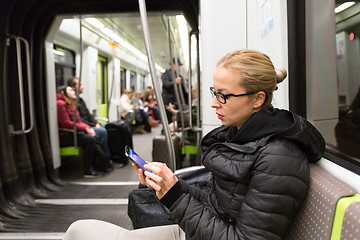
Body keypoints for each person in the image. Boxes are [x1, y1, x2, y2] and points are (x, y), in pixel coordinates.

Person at [64, 49, 325, 239]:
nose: (213, 103)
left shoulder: (277, 156)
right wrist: (172, 185)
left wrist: (175, 197)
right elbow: (219, 203)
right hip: (205, 229)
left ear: (257, 99)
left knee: (79, 232)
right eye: (214, 93)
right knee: (79, 230)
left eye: (223, 96)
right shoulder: (241, 136)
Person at [57, 86, 104, 178]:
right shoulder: (61, 104)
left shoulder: (70, 103)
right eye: (70, 90)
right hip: (65, 135)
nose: (74, 91)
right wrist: (86, 128)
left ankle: (100, 163)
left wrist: (87, 127)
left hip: (72, 133)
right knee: (89, 139)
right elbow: (66, 123)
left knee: (96, 135)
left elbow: (78, 121)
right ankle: (88, 170)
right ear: (63, 93)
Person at [67, 77, 112, 160]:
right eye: (80, 85)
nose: (83, 86)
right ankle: (107, 157)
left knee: (108, 126)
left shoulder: (81, 100)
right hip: (84, 127)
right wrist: (92, 126)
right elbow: (79, 120)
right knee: (102, 131)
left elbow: (89, 115)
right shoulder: (72, 103)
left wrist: (96, 123)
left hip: (90, 124)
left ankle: (110, 154)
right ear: (73, 87)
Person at [161, 58, 189, 123]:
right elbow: (165, 84)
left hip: (176, 101)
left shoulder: (179, 75)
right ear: (173, 65)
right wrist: (175, 82)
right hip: (168, 101)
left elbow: (183, 90)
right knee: (168, 119)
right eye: (178, 65)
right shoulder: (166, 74)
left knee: (177, 119)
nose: (179, 67)